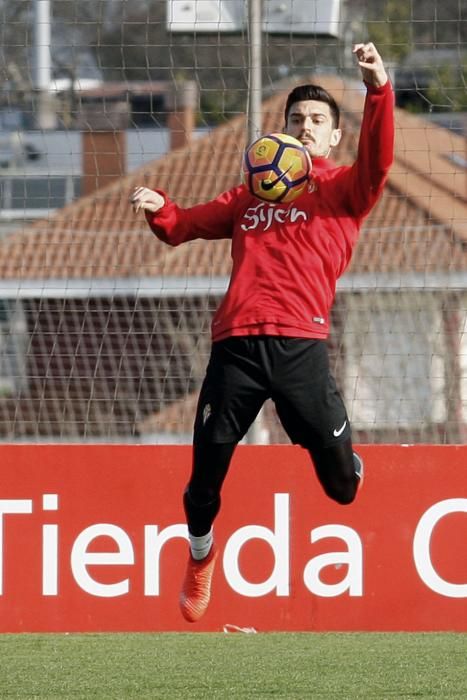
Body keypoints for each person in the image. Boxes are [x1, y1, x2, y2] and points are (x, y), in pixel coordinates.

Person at [130, 42, 394, 623]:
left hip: (301, 348)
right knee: (204, 478)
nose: (305, 128)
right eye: (296, 120)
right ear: (280, 135)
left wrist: (378, 89)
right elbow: (184, 226)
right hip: (237, 347)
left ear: (332, 140)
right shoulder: (250, 194)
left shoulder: (345, 191)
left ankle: (347, 460)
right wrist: (159, 208)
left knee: (342, 489)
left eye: (317, 122)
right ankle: (201, 556)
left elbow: (378, 159)